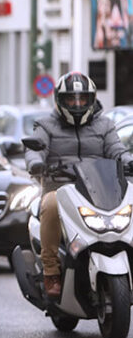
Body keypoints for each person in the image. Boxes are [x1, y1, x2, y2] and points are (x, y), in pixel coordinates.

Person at [25, 72, 133, 298]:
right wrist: (36, 163)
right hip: (61, 187)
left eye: (82, 99)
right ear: (59, 100)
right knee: (50, 205)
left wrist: (128, 161)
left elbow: (116, 150)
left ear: (91, 99)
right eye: (71, 99)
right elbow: (35, 149)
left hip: (100, 189)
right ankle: (51, 271)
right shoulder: (46, 125)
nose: (76, 104)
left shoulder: (105, 125)